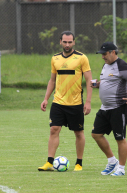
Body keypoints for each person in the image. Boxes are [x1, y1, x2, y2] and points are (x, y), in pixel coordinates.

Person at [38, 31, 92, 172]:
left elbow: (89, 81)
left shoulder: (82, 58)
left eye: (70, 42)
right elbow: (52, 80)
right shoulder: (55, 59)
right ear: (60, 42)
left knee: (78, 132)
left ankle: (79, 163)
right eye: (65, 42)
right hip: (58, 102)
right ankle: (49, 162)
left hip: (75, 103)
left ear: (74, 42)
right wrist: (45, 98)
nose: (67, 44)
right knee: (53, 129)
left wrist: (88, 102)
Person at [91, 42, 127, 176]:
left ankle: (121, 169)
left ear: (113, 52)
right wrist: (98, 84)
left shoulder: (121, 65)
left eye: (105, 54)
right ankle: (112, 161)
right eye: (101, 54)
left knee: (120, 138)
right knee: (96, 134)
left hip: (118, 108)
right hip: (105, 108)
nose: (103, 57)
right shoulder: (106, 65)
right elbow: (109, 80)